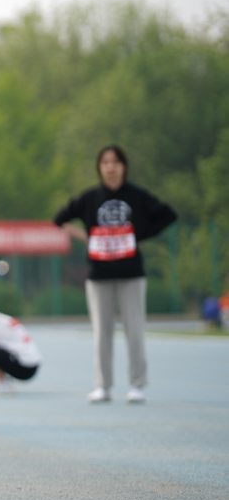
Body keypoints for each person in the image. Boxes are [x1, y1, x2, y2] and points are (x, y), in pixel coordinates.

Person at [53, 144, 177, 404]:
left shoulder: (137, 196)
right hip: (98, 274)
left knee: (135, 330)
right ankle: (103, 385)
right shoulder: (89, 198)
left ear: (124, 166)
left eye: (116, 162)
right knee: (102, 332)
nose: (111, 167)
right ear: (99, 167)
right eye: (105, 162)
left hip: (131, 272)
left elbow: (168, 215)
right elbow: (60, 218)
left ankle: (137, 384)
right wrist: (86, 238)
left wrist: (138, 236)